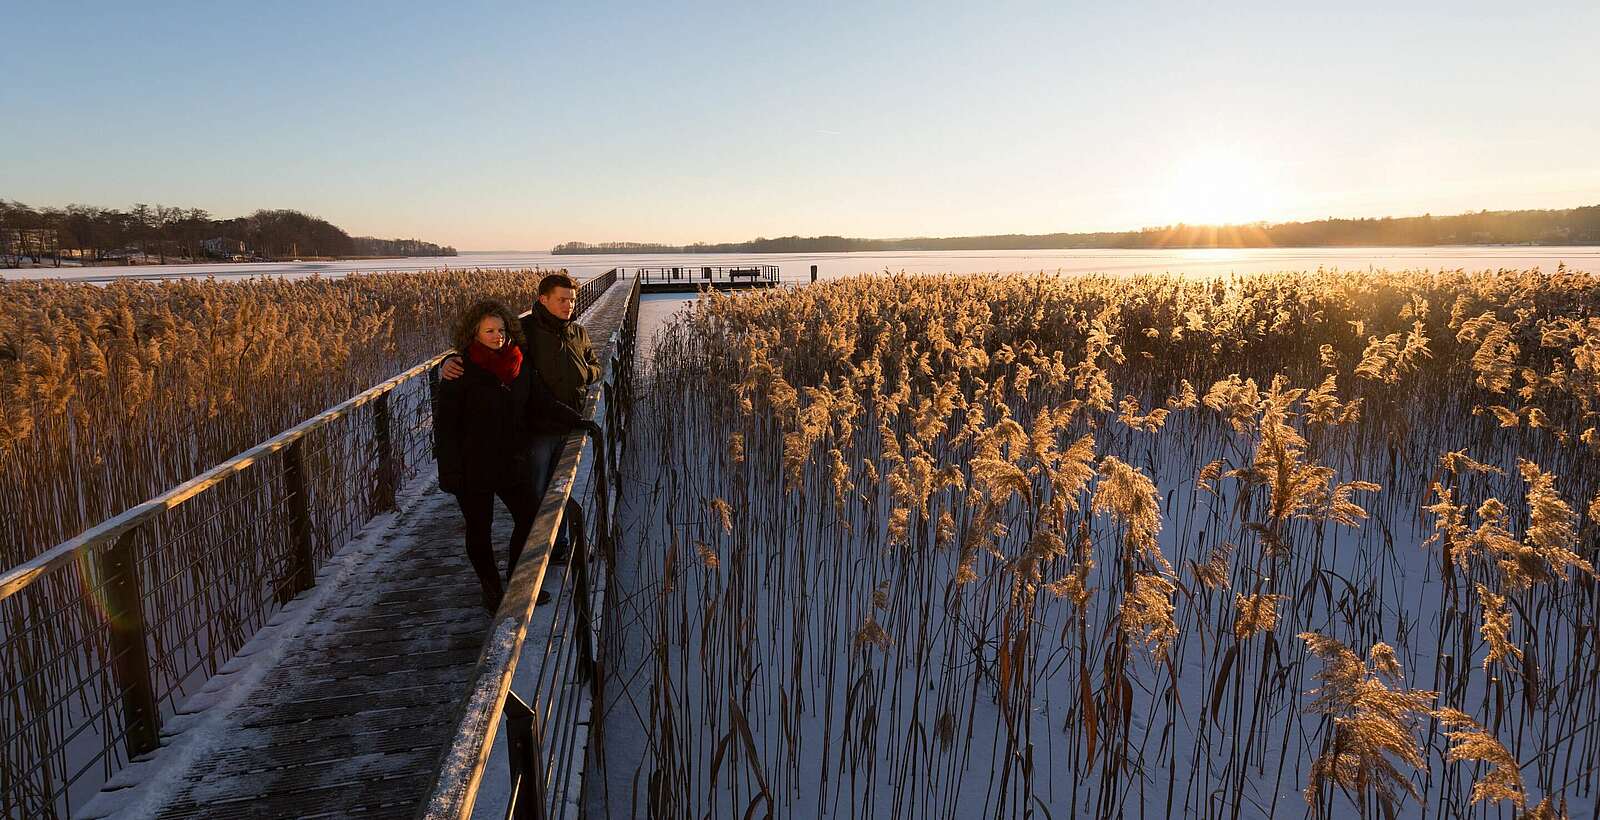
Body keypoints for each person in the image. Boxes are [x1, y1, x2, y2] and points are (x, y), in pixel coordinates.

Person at [434, 299, 584, 611]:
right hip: (471, 465)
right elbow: (445, 428)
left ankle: (517, 583)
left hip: (509, 460)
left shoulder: (518, 362)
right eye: (488, 330)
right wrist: (449, 473)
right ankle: (491, 591)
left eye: (501, 329)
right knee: (480, 527)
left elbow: (540, 400)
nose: (497, 335)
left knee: (530, 517)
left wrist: (577, 419)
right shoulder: (460, 369)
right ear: (473, 333)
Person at [441, 272, 602, 557]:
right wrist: (448, 361)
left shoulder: (577, 331)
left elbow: (595, 365)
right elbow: (485, 350)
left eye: (572, 300)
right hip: (536, 430)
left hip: (568, 420)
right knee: (537, 495)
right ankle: (534, 558)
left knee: (560, 489)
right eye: (562, 299)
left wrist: (585, 374)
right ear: (543, 299)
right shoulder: (524, 330)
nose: (569, 305)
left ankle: (558, 546)